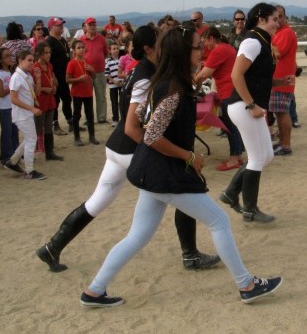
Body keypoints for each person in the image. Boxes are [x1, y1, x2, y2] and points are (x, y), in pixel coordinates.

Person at [79, 23, 283, 307]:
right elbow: (152, 135)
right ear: (182, 52)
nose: (203, 52)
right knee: (219, 221)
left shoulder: (165, 82)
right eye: (198, 47)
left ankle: (94, 290)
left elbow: (145, 120)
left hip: (151, 172)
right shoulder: (173, 89)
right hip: (165, 173)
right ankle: (246, 285)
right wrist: (188, 156)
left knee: (137, 235)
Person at [36, 25, 219, 273]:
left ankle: (52, 247)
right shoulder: (145, 76)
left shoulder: (142, 71)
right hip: (130, 147)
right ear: (149, 49)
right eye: (161, 42)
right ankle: (190, 254)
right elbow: (133, 126)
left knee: (97, 202)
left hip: (117, 147)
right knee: (184, 184)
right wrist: (160, 152)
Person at [218, 3, 295, 223]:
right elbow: (236, 75)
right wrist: (251, 105)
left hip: (251, 107)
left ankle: (231, 192)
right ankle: (249, 209)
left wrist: (280, 81)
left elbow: (257, 78)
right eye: (274, 19)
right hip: (244, 107)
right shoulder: (252, 41)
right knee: (257, 158)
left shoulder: (263, 41)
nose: (277, 23)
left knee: (266, 156)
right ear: (261, 19)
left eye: (278, 19)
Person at [194, 26, 244, 171]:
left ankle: (235, 158)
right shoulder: (225, 48)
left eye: (205, 41)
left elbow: (205, 74)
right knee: (231, 126)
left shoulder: (218, 50)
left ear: (211, 38)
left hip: (228, 91)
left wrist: (194, 79)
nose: (205, 45)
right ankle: (237, 156)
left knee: (229, 126)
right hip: (229, 90)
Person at [4, 50, 47, 180]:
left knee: (30, 138)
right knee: (31, 140)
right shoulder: (16, 77)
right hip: (22, 114)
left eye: (32, 60)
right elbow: (13, 99)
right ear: (20, 61)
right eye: (29, 60)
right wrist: (32, 108)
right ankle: (29, 171)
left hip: (26, 113)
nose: (32, 63)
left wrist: (38, 78)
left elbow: (36, 93)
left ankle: (12, 161)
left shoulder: (27, 75)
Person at [269, 5, 298, 156]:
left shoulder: (286, 33)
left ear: (285, 17)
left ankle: (286, 145)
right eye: (275, 17)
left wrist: (267, 41)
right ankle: (282, 142)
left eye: (280, 16)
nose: (278, 20)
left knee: (282, 113)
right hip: (279, 80)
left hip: (282, 80)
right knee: (279, 113)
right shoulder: (279, 33)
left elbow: (278, 53)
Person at [33, 42, 64, 161]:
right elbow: (33, 87)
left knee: (48, 125)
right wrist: (46, 89)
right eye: (46, 53)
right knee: (38, 126)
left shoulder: (49, 65)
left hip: (50, 98)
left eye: (49, 52)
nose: (48, 55)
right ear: (39, 54)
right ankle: (35, 149)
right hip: (40, 100)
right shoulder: (35, 68)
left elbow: (53, 79)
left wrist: (54, 85)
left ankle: (49, 152)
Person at [66, 39, 99, 146]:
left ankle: (92, 136)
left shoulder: (87, 61)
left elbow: (94, 77)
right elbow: (67, 80)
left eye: (83, 47)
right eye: (78, 48)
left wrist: (92, 70)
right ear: (74, 50)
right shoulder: (72, 63)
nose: (81, 49)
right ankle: (77, 138)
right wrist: (79, 79)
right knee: (77, 115)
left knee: (90, 115)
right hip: (77, 93)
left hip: (88, 92)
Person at [0, 47, 19, 165]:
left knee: (14, 131)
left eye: (10, 55)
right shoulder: (0, 74)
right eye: (6, 56)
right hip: (5, 107)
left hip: (14, 105)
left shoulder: (13, 72)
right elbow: (1, 93)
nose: (10, 58)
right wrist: (12, 87)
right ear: (0, 60)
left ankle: (16, 154)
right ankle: (5, 156)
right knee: (7, 132)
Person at [45, 17, 72, 135]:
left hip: (64, 76)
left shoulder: (63, 40)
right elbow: (47, 62)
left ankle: (70, 121)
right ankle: (55, 125)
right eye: (58, 25)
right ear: (51, 28)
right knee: (55, 101)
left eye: (61, 24)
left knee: (67, 99)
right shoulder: (48, 42)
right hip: (55, 77)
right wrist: (52, 76)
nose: (61, 26)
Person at [81, 17, 109, 124]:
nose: (92, 27)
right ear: (86, 26)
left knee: (101, 95)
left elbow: (105, 53)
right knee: (87, 97)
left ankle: (101, 117)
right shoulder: (81, 39)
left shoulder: (101, 38)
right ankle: (89, 118)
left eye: (94, 24)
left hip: (99, 71)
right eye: (90, 25)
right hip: (86, 72)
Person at [105, 42, 122, 127]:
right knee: (114, 103)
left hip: (122, 84)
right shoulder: (108, 62)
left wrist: (122, 81)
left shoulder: (122, 60)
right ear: (110, 51)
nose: (116, 50)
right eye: (114, 49)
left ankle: (124, 118)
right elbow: (106, 74)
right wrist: (114, 81)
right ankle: (115, 119)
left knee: (122, 102)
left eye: (117, 48)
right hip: (113, 85)